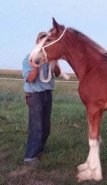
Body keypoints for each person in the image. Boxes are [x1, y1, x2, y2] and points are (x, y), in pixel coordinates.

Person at [22, 32, 61, 163]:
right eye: (42, 41)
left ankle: (38, 149)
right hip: (35, 95)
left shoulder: (50, 58)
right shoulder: (29, 58)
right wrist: (36, 67)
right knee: (36, 126)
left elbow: (58, 73)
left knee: (46, 127)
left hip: (47, 94)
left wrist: (54, 62)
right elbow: (31, 79)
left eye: (47, 41)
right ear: (37, 42)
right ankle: (30, 156)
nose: (44, 43)